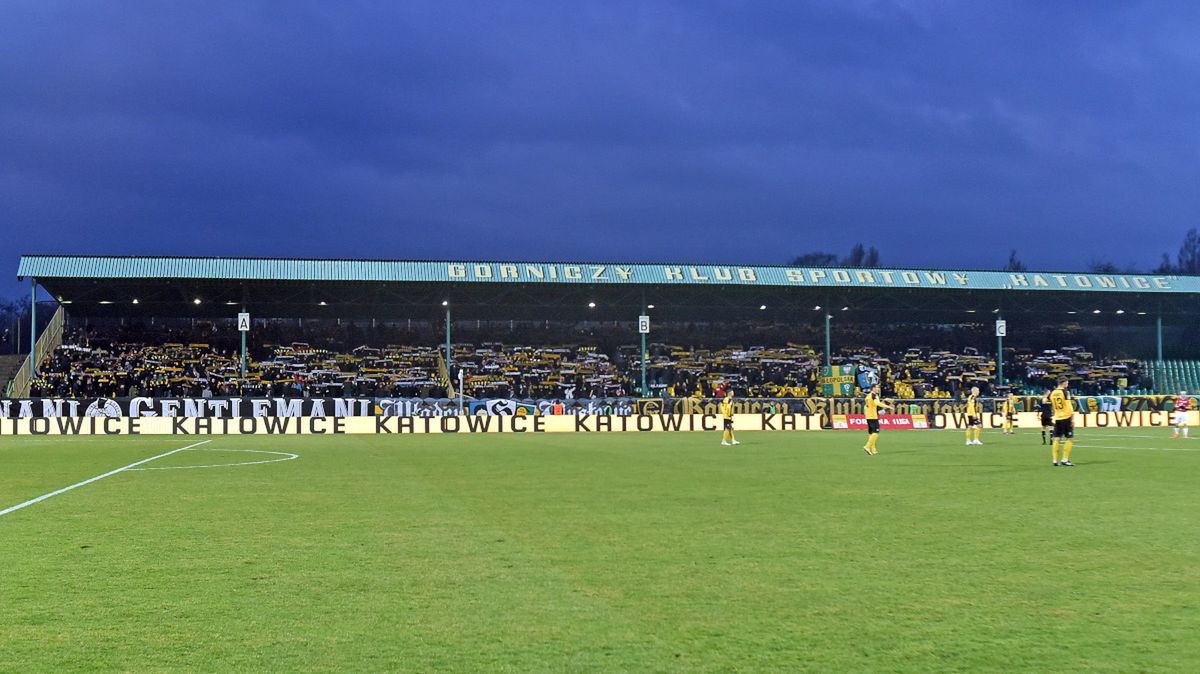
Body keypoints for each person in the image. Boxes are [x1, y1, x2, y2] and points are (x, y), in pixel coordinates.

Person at [1049, 377, 1075, 467]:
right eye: (1067, 383)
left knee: (1056, 438)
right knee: (1070, 438)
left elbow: (1053, 406)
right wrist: (1072, 418)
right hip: (1066, 417)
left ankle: (1055, 460)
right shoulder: (1065, 392)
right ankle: (1065, 459)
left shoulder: (1052, 393)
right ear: (1063, 383)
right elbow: (1069, 405)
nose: (1067, 384)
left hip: (1057, 418)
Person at [862, 383, 893, 456]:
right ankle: (867, 446)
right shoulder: (874, 395)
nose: (878, 389)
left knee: (871, 433)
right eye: (877, 387)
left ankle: (873, 450)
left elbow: (865, 407)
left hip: (868, 416)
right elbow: (877, 403)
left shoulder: (868, 396)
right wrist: (888, 407)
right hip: (873, 416)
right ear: (873, 388)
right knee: (876, 432)